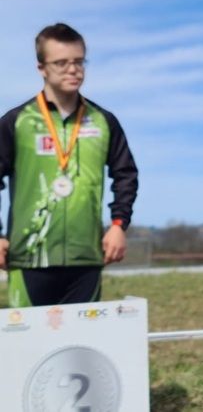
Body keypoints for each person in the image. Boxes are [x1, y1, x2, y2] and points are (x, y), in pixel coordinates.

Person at [0, 23, 138, 307]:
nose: (72, 69)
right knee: (30, 349)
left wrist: (118, 225)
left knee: (80, 349)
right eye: (61, 63)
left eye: (78, 61)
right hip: (29, 257)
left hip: (85, 257)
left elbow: (125, 174)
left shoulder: (103, 121)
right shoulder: (17, 121)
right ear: (42, 68)